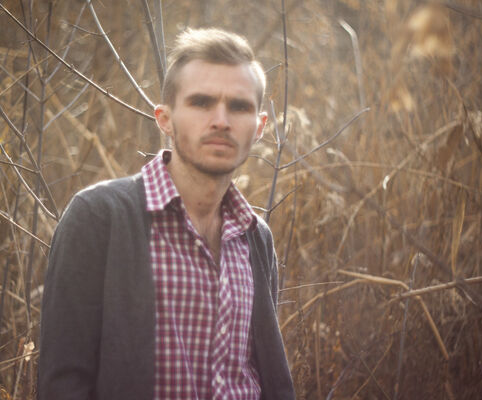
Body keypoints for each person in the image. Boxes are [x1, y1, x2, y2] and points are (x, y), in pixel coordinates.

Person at [38, 28, 295, 400]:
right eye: (201, 102)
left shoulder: (255, 236)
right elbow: (63, 382)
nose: (221, 120)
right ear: (164, 119)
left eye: (239, 106)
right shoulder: (99, 218)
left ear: (260, 127)